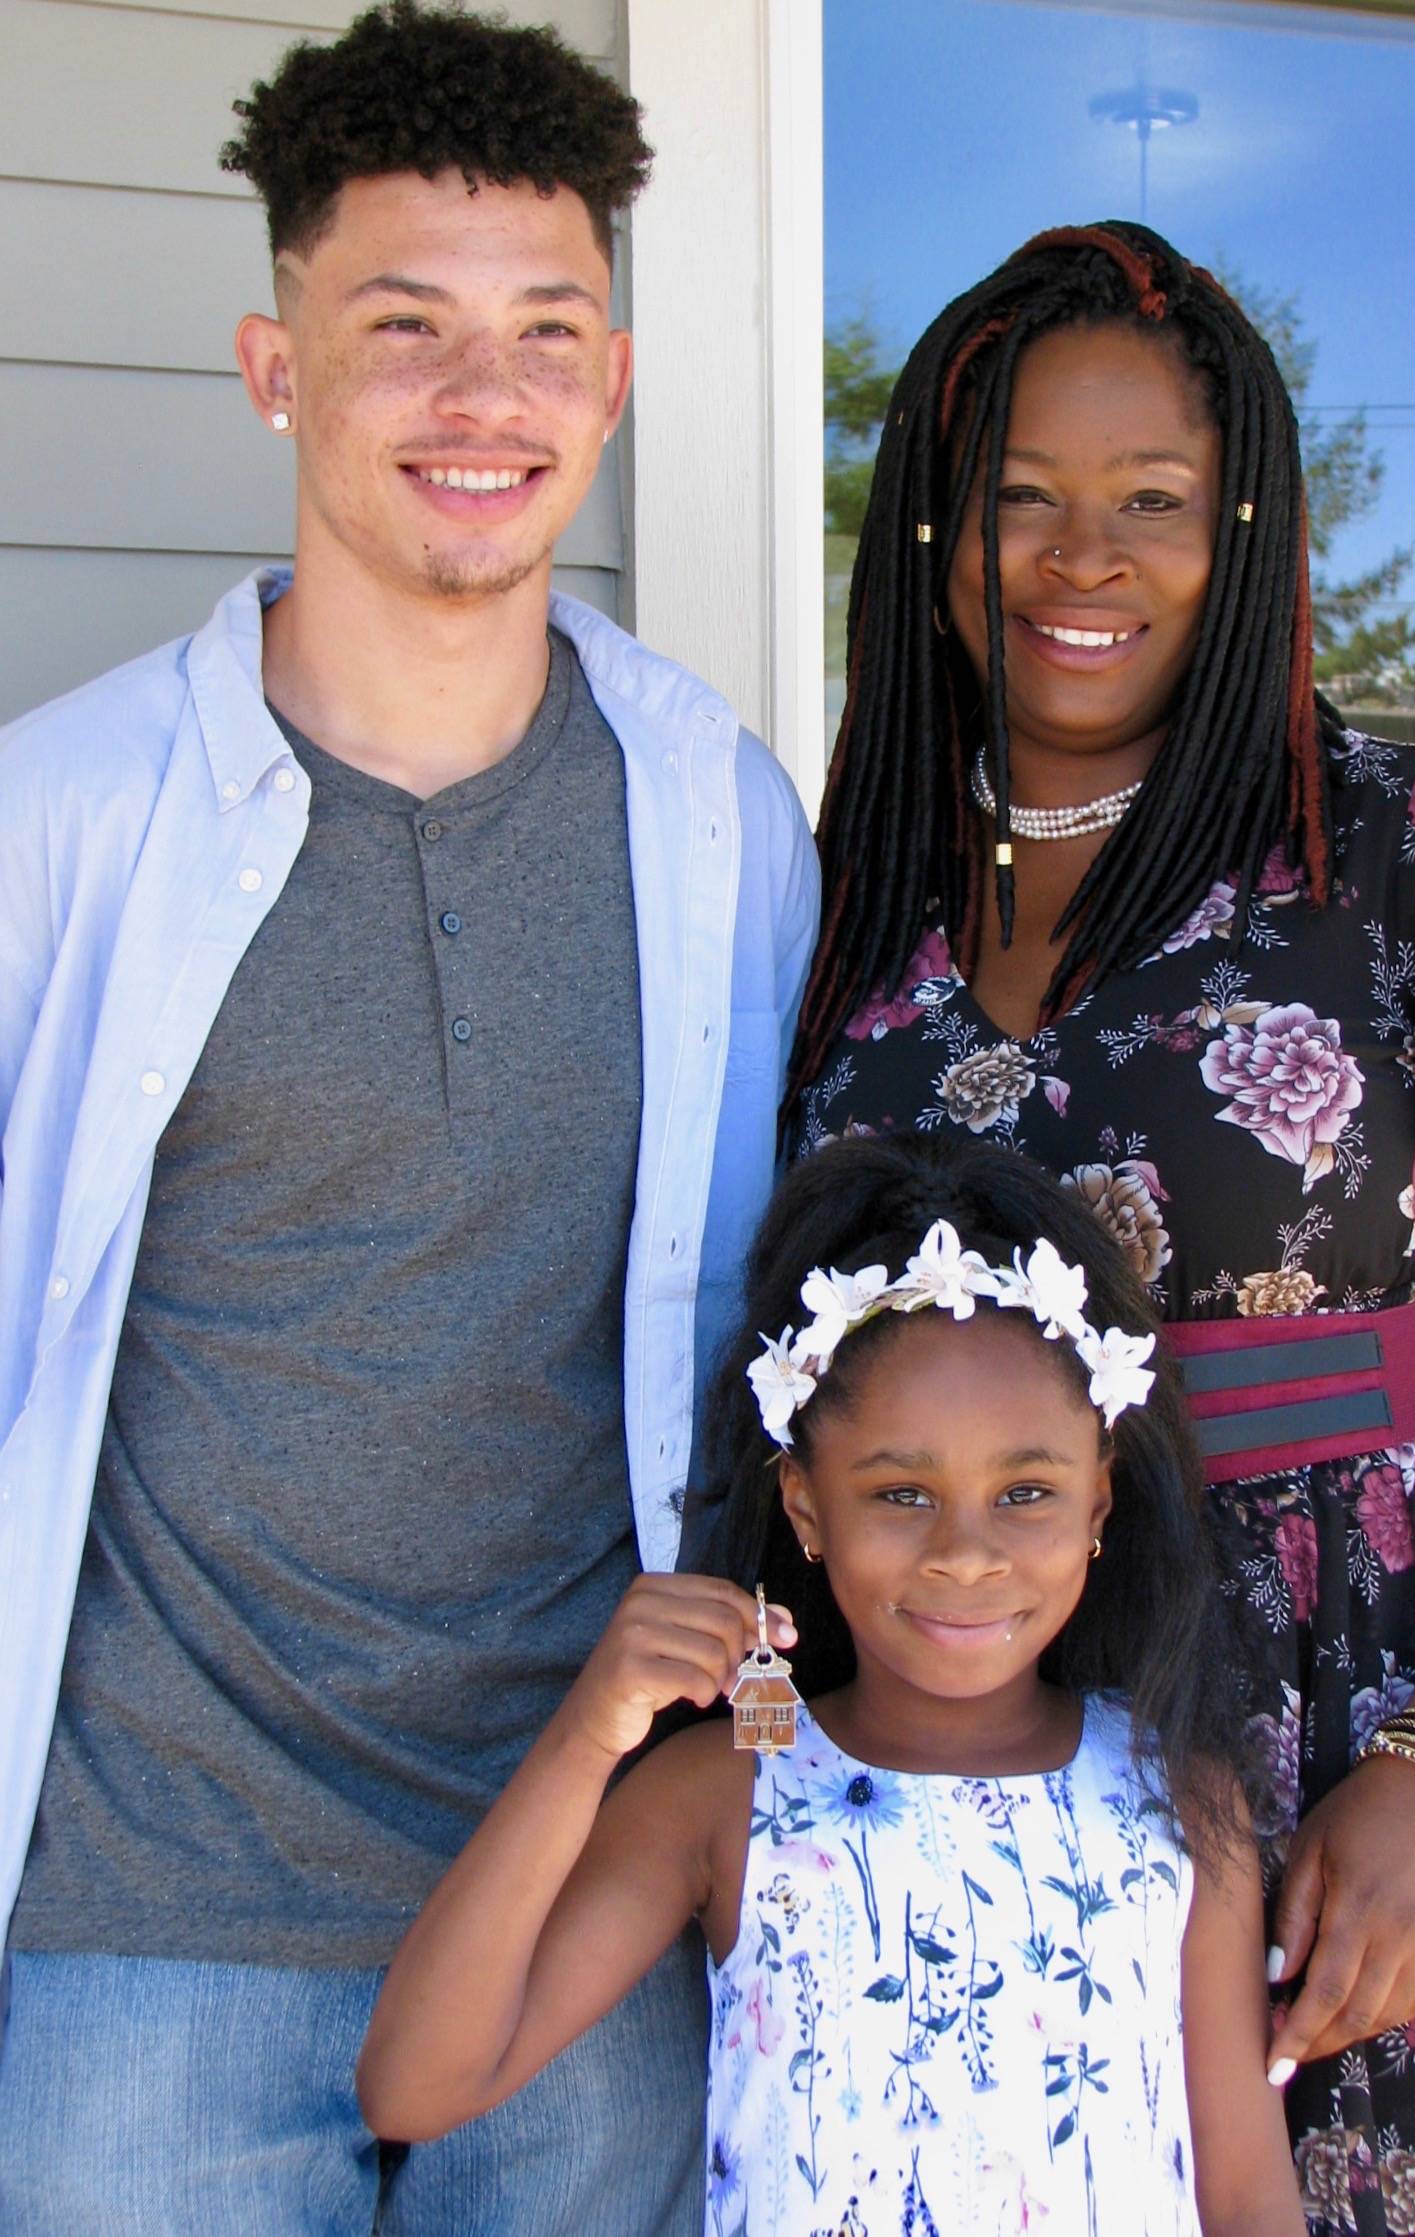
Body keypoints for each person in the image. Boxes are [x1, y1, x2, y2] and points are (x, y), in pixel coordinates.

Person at [0, 4, 817, 2229]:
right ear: (274, 365)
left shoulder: (716, 816)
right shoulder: (61, 819)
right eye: (406, 326)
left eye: (549, 330)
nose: (488, 398)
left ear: (617, 383)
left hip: (579, 1897)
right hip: (145, 1915)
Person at [787, 222, 1415, 2232]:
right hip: (974, 1744)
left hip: (1372, 1726)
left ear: (1248, 527)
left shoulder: (1412, 847)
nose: (1075, 558)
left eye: (1151, 502)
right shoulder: (839, 898)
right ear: (928, 530)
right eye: (1013, 495)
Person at [357, 1129, 1307, 2237]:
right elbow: (415, 2084)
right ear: (806, 1508)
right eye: (901, 1493)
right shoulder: (725, 1791)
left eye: (1027, 1492)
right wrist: (586, 1736)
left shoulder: (1175, 1795)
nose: (965, 1551)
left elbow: (1245, 2193)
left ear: (1100, 1503)